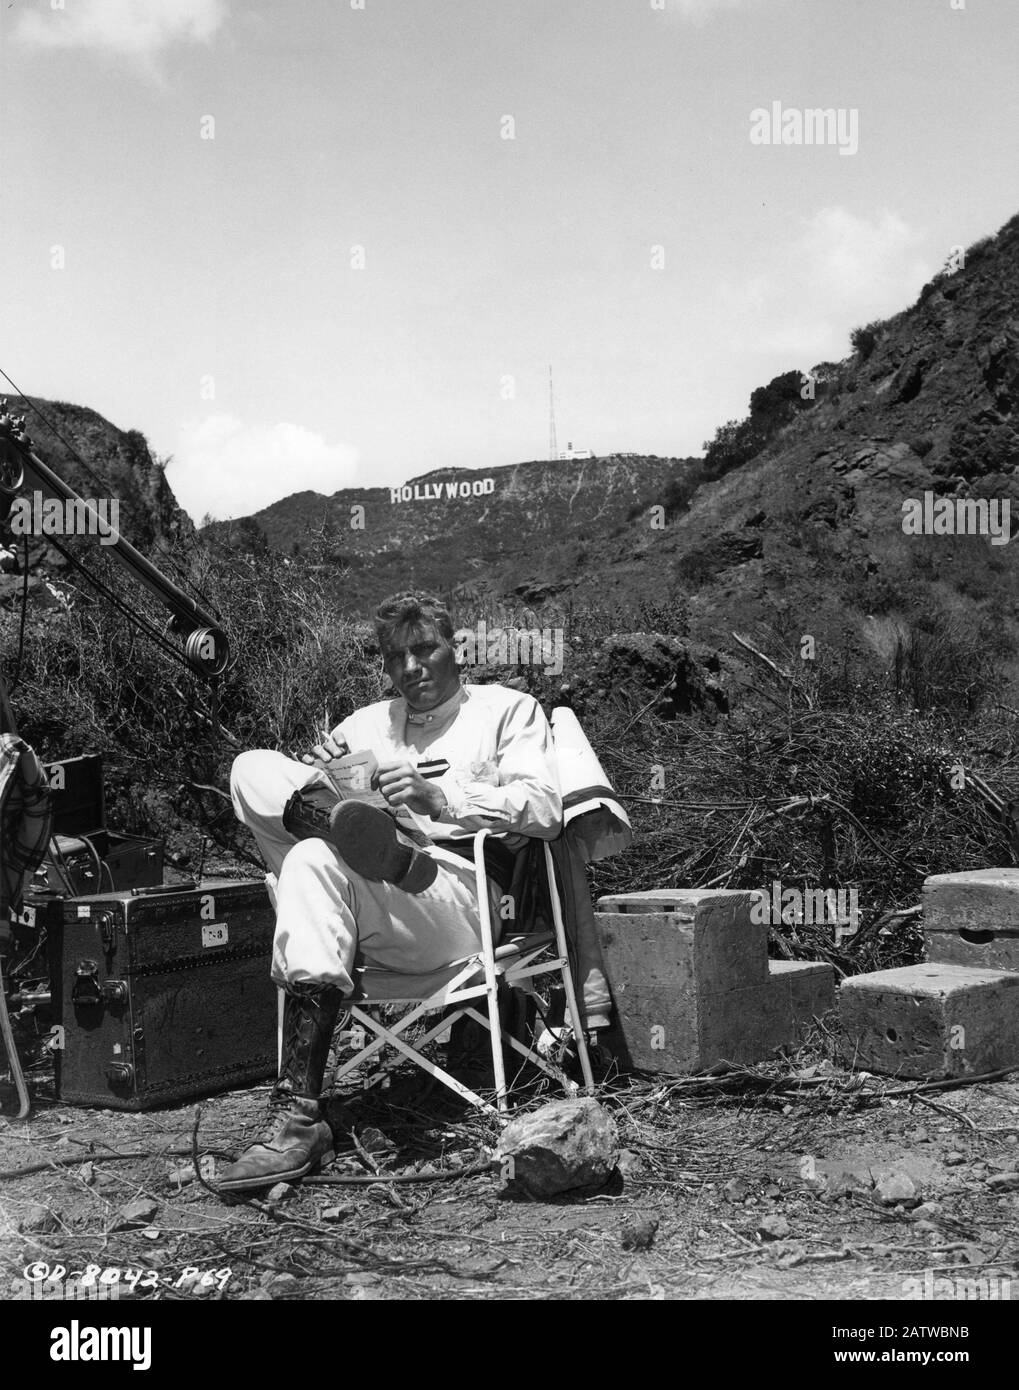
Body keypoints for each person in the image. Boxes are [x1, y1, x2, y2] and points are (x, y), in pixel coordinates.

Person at [219, 591, 563, 1192]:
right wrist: (321, 775)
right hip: (371, 897)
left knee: (311, 859)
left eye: (425, 649)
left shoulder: (509, 711)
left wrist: (443, 800)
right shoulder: (367, 724)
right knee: (253, 770)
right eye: (395, 656)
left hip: (457, 894)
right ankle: (299, 1120)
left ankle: (298, 1118)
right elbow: (278, 786)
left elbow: (546, 809)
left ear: (455, 647)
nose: (411, 668)